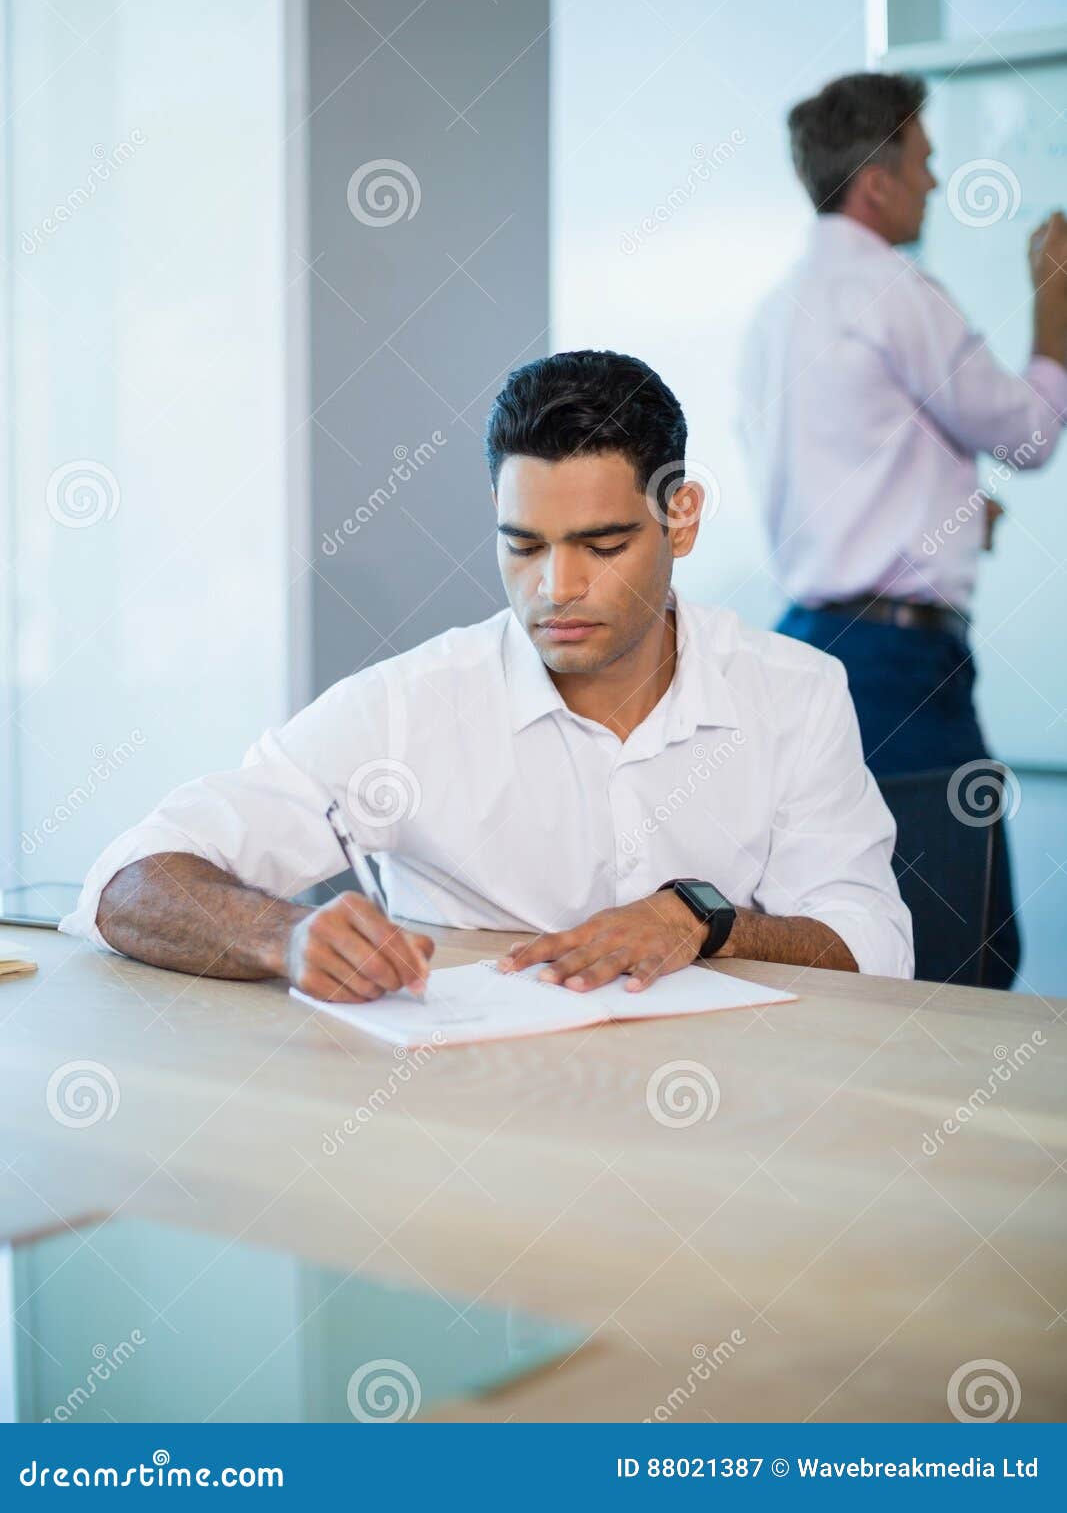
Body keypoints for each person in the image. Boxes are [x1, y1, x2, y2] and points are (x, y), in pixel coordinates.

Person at [62, 350, 913, 999]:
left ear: (680, 518)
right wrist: (283, 938)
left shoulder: (794, 692)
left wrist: (703, 922)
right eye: (523, 545)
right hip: (469, 1128)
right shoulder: (408, 706)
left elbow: (873, 942)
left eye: (602, 546)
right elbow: (127, 881)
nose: (556, 588)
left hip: (729, 1126)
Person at [737, 71, 1067, 989]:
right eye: (922, 161)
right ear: (874, 182)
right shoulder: (895, 291)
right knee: (961, 949)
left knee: (834, 937)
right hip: (898, 667)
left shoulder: (776, 312)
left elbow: (844, 468)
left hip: (805, 643)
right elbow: (1029, 434)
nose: (934, 179)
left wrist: (950, 510)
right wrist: (1053, 304)